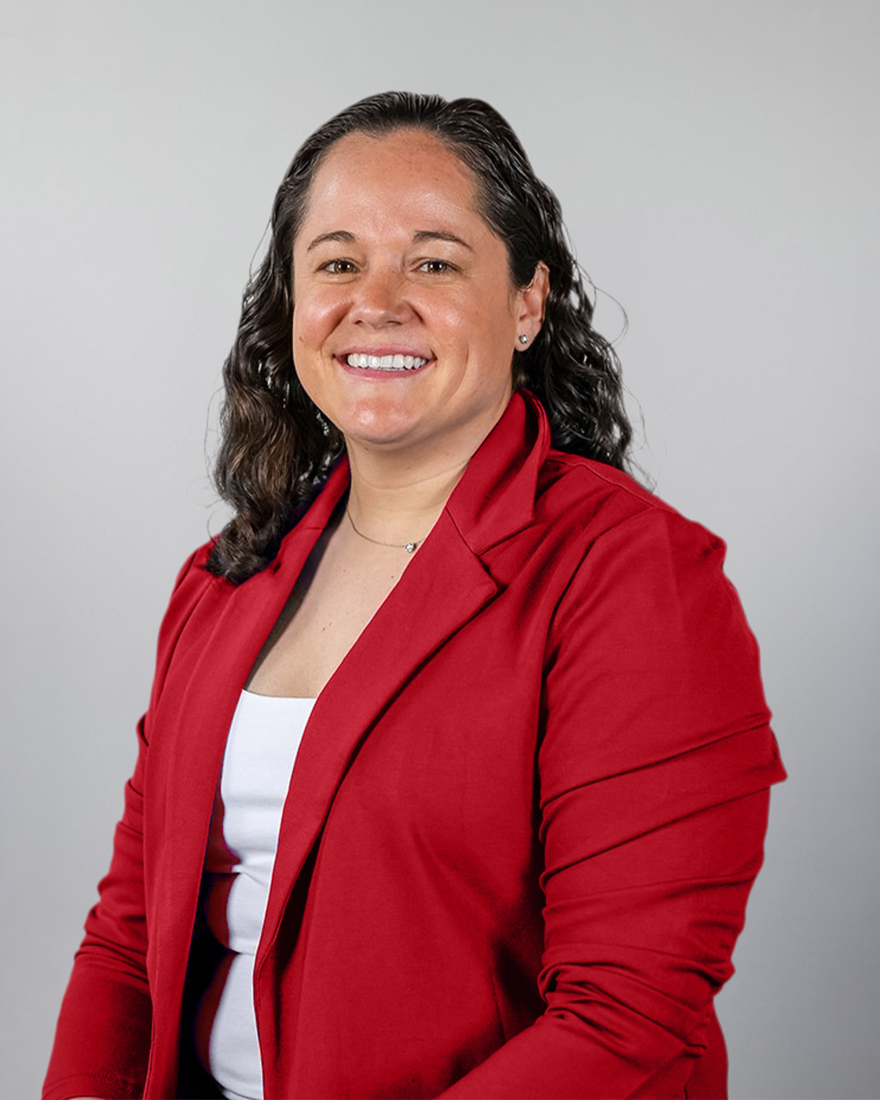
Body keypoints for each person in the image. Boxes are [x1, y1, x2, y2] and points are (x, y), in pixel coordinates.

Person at [43, 91, 786, 1100]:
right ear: (294, 304)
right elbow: (130, 933)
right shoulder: (224, 580)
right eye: (337, 262)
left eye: (433, 261)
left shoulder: (630, 577)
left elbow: (627, 1013)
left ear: (527, 303)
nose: (376, 300)